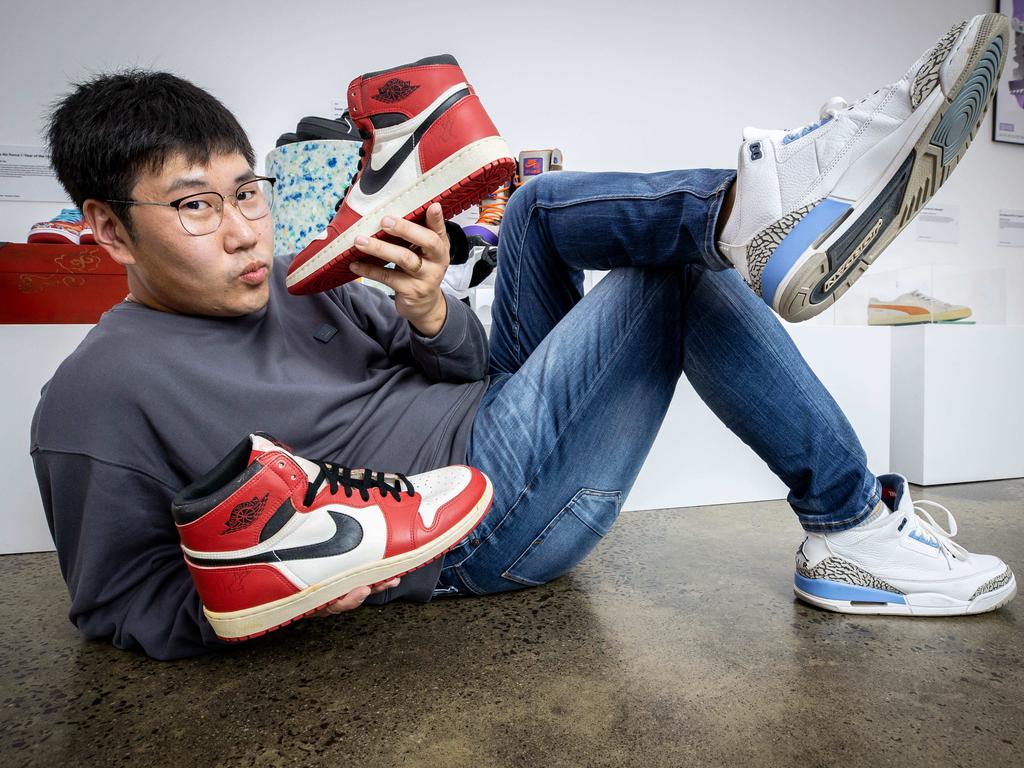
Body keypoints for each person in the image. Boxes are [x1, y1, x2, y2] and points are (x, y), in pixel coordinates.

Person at [32, 14, 1016, 660]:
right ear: (109, 226)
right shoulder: (96, 394)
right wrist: (273, 602)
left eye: (246, 192)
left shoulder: (298, 278)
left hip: (501, 415)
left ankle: (752, 211)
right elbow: (117, 605)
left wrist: (428, 314)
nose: (246, 231)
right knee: (656, 275)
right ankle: (846, 521)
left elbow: (460, 366)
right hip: (470, 528)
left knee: (541, 205)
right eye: (196, 206)